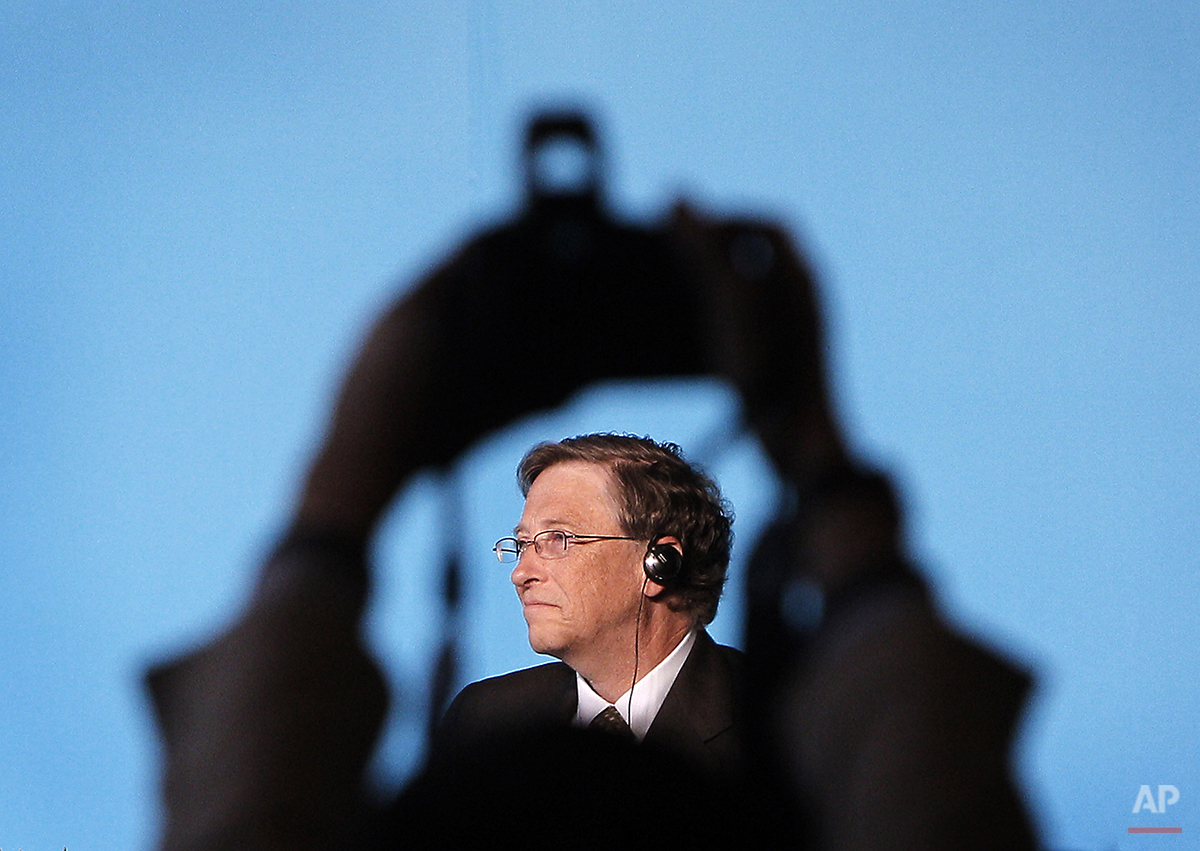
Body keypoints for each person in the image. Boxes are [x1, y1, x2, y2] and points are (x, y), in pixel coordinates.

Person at [430, 434, 746, 784]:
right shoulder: (483, 721)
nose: (520, 574)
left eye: (557, 539)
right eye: (522, 545)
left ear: (658, 563)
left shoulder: (769, 718)